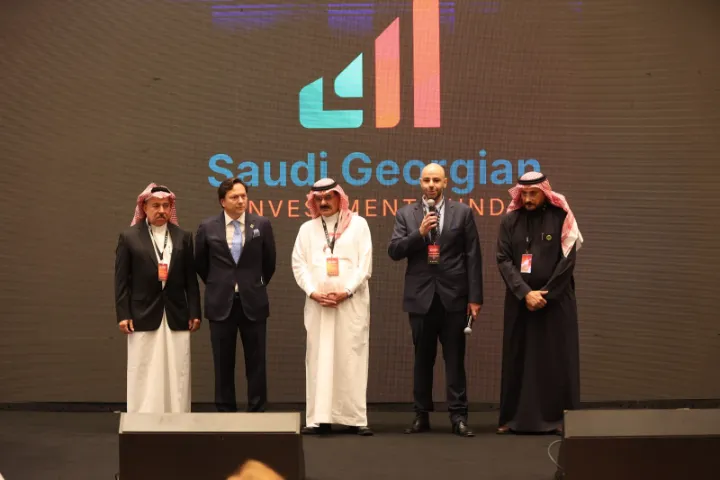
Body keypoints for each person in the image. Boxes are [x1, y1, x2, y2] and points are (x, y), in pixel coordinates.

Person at [388, 163, 483, 437]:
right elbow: (394, 251)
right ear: (420, 183)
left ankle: (458, 416)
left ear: (445, 183)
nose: (431, 185)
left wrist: (475, 298)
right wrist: (418, 234)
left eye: (436, 180)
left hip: (454, 296)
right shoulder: (406, 214)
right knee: (422, 359)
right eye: (427, 180)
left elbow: (473, 256)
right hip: (421, 297)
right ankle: (421, 415)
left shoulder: (462, 212)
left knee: (455, 359)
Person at [496, 171, 583, 435]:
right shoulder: (510, 220)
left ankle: (560, 420)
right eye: (524, 194)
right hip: (520, 302)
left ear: (545, 193)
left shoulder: (561, 217)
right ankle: (512, 419)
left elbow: (567, 261)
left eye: (533, 193)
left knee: (557, 359)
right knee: (518, 358)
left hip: (555, 302)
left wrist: (544, 294)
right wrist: (525, 293)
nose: (528, 199)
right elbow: (503, 259)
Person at [291, 178, 373, 436]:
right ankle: (319, 419)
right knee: (319, 360)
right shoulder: (307, 229)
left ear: (340, 198)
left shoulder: (359, 225)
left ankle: (355, 419)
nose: (324, 202)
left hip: (351, 304)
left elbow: (364, 265)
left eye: (329, 197)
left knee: (351, 359)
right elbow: (298, 265)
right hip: (319, 306)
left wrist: (346, 291)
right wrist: (313, 292)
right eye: (319, 199)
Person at [114, 183, 202, 414]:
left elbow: (190, 280)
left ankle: (178, 415)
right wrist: (123, 314)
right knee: (143, 366)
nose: (161, 210)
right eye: (155, 205)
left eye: (165, 205)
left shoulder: (183, 237)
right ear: (144, 207)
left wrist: (194, 311)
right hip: (142, 313)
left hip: (177, 312)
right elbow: (121, 281)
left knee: (177, 367)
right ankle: (142, 416)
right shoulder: (129, 237)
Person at [195, 178, 276, 413]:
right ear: (223, 201)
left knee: (257, 362)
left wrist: (252, 284)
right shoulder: (207, 227)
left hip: (253, 302)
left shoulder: (262, 224)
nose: (240, 201)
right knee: (223, 363)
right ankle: (225, 412)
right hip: (221, 303)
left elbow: (269, 262)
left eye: (243, 196)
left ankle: (257, 411)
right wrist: (220, 284)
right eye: (234, 197)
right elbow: (200, 264)